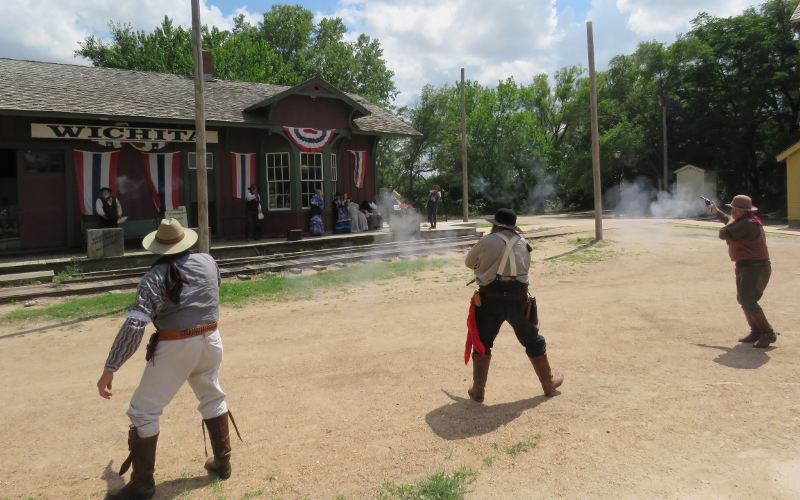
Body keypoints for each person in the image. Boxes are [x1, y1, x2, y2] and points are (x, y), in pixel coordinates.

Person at [96, 218, 239, 499]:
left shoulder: (155, 276)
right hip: (211, 339)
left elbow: (135, 325)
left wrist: (111, 366)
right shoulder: (208, 261)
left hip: (177, 345)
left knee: (143, 411)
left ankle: (142, 484)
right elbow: (213, 287)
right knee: (212, 396)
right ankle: (222, 461)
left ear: (158, 247)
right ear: (185, 240)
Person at [464, 208, 563, 402]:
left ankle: (478, 390)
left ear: (496, 225)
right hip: (518, 300)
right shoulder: (525, 244)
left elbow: (469, 262)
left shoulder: (487, 241)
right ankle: (548, 383)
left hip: (490, 299)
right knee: (532, 340)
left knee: (482, 342)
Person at [707, 195, 778, 348]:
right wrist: (717, 212)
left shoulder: (748, 224)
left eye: (734, 209)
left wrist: (723, 218)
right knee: (743, 299)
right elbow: (731, 224)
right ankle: (756, 331)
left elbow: (724, 233)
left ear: (743, 211)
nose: (732, 211)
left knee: (748, 300)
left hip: (755, 267)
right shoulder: (745, 221)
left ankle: (768, 333)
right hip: (747, 265)